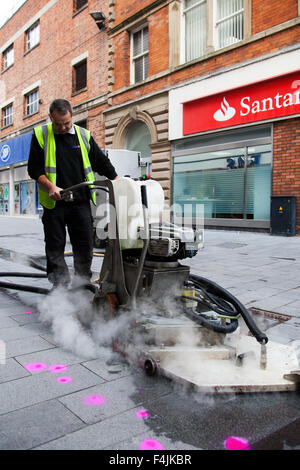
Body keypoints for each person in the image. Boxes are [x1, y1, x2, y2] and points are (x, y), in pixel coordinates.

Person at [27, 98, 118, 289]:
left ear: (72, 116)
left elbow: (100, 162)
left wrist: (117, 180)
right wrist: (51, 187)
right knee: (55, 244)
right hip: (54, 203)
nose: (63, 127)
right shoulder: (41, 135)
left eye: (67, 123)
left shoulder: (83, 135)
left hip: (81, 201)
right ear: (50, 118)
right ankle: (59, 285)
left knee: (84, 244)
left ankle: (82, 283)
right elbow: (34, 169)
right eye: (58, 124)